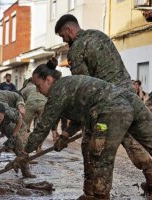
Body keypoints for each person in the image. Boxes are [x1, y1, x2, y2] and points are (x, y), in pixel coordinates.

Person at [13, 59, 152, 199]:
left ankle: (99, 197)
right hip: (130, 102)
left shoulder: (57, 91)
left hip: (112, 111)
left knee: (99, 156)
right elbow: (82, 116)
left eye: (38, 85)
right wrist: (65, 135)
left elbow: (43, 127)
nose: (37, 90)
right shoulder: (69, 84)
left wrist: (24, 152)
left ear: (48, 80)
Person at [55, 14, 152, 195]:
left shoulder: (76, 50)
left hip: (107, 104)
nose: (64, 39)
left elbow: (84, 90)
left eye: (63, 36)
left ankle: (91, 192)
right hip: (129, 97)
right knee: (131, 140)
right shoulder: (99, 35)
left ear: (69, 30)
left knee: (90, 147)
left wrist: (68, 131)